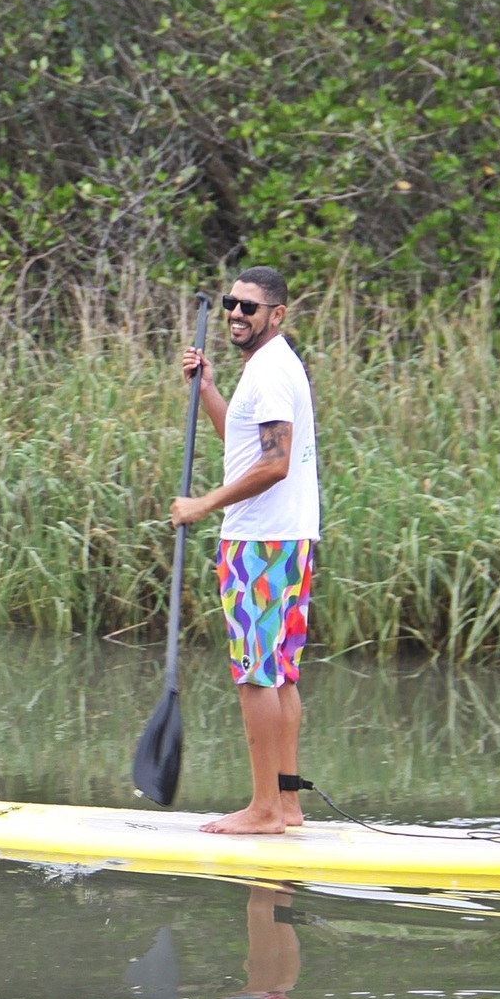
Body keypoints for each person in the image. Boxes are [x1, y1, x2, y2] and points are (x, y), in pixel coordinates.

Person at [169, 267, 320, 835]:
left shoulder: (272, 371)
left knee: (256, 675)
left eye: (249, 307)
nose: (235, 313)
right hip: (286, 537)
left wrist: (204, 504)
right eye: (231, 302)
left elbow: (274, 465)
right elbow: (245, 446)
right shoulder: (268, 366)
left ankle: (263, 811)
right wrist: (208, 389)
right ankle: (286, 803)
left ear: (276, 315)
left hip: (261, 542)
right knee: (279, 674)